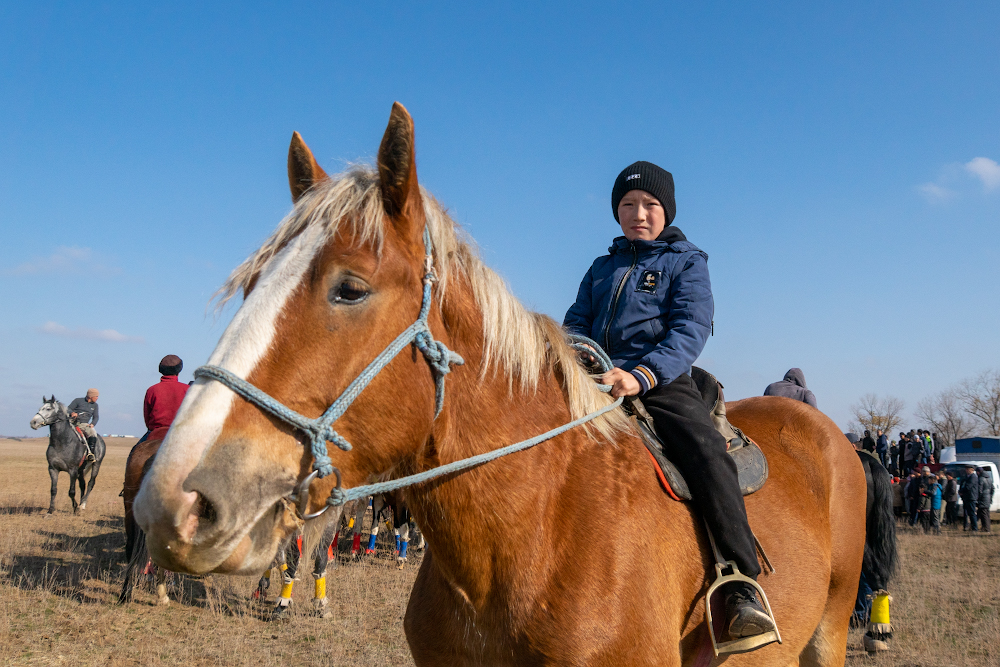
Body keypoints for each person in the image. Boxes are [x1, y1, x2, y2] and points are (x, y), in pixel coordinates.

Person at [563, 161, 775, 642]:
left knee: (705, 453)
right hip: (596, 377)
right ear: (616, 212)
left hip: (660, 379)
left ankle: (742, 585)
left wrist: (642, 376)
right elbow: (576, 321)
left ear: (667, 211)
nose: (639, 213)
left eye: (650, 205)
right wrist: (573, 355)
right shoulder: (601, 267)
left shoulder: (686, 262)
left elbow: (690, 328)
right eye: (628, 205)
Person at [139, 355, 189, 444]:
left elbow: (147, 417)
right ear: (179, 369)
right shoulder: (188, 389)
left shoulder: (152, 390)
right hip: (181, 432)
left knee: (134, 453)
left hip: (155, 433)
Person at [67, 388, 100, 462]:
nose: (97, 398)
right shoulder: (77, 401)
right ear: (91, 396)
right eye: (96, 396)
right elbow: (68, 409)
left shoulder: (95, 405)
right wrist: (72, 413)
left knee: (92, 432)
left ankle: (90, 453)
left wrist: (92, 424)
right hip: (72, 423)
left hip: (84, 425)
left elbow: (96, 417)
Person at [960, 465, 980, 532]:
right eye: (966, 469)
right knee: (966, 513)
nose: (966, 470)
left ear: (972, 470)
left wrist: (962, 491)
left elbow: (968, 486)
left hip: (971, 497)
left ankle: (975, 528)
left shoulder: (973, 477)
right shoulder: (966, 477)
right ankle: (967, 526)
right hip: (966, 497)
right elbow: (963, 484)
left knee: (972, 513)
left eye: (968, 469)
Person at [977, 467, 993, 534]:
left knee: (983, 514)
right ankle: (986, 527)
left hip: (983, 498)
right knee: (986, 513)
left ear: (978, 472)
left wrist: (978, 498)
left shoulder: (981, 479)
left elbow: (979, 490)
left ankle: (986, 528)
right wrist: (990, 496)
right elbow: (993, 489)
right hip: (988, 498)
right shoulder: (989, 479)